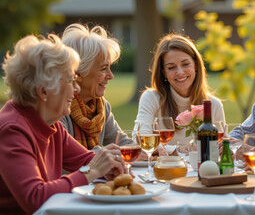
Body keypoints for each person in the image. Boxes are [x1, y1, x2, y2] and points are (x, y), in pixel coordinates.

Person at [0, 34, 126, 214]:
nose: (76, 89)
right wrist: (92, 171)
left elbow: (85, 160)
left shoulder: (50, 122)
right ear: (43, 91)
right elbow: (35, 198)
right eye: (70, 80)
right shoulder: (12, 129)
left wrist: (109, 165)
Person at [134, 33, 225, 149]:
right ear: (164, 72)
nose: (180, 72)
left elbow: (221, 147)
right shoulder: (151, 98)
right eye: (171, 67)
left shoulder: (213, 105)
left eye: (185, 64)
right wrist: (177, 150)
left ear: (196, 65)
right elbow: (140, 139)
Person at [60, 23, 133, 152]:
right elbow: (68, 157)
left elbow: (121, 142)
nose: (111, 76)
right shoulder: (60, 108)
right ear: (79, 72)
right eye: (104, 69)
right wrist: (106, 153)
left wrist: (147, 151)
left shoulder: (101, 106)